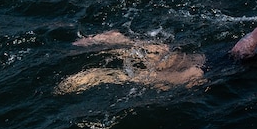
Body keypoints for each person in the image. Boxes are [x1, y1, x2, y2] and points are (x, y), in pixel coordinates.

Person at [56, 31, 205, 94]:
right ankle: (103, 75)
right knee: (191, 73)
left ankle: (121, 43)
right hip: (204, 66)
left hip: (204, 61)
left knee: (164, 54)